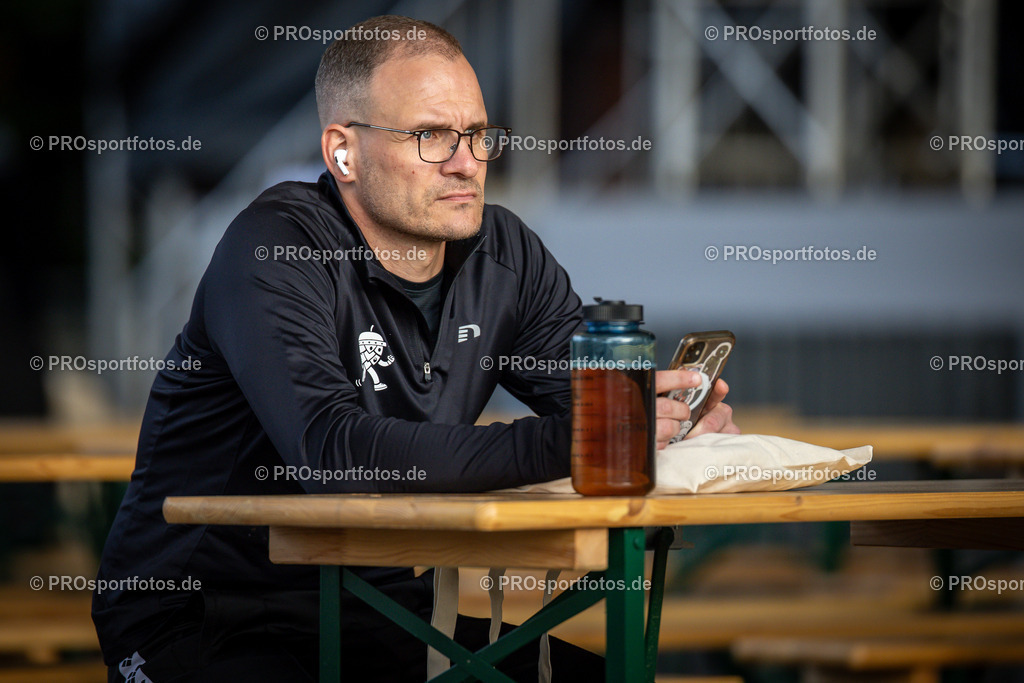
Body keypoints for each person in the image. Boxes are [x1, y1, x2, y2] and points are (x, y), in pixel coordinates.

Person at [92, 14, 739, 683]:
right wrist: (576, 441)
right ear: (343, 152)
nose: (467, 163)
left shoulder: (505, 254)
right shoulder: (274, 247)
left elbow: (591, 405)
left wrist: (667, 424)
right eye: (432, 136)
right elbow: (335, 452)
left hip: (381, 610)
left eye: (479, 135)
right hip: (203, 617)